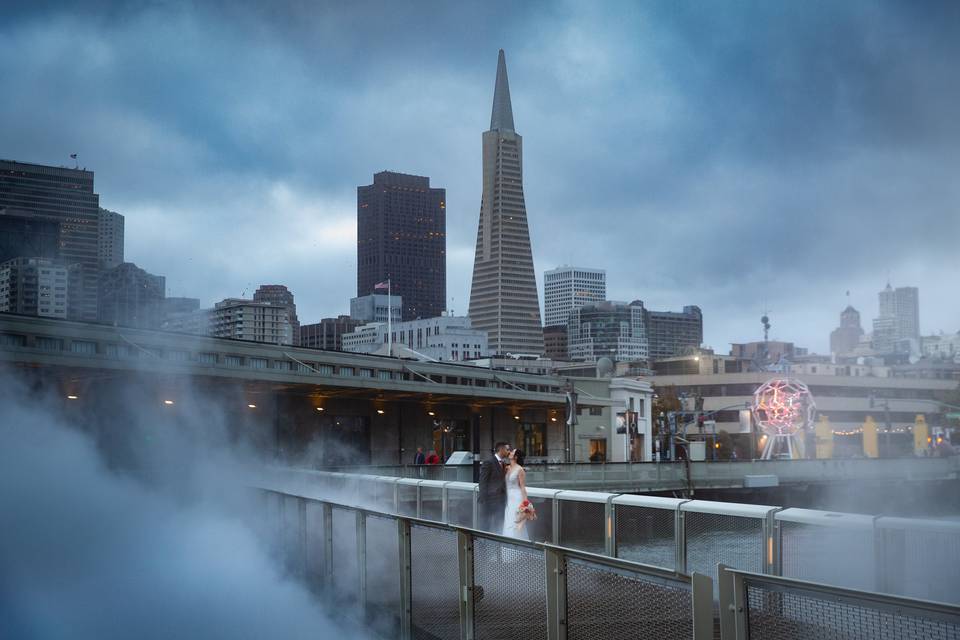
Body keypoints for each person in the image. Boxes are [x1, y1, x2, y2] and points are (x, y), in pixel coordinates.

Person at [478, 442, 510, 533]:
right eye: (507, 449)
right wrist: (483, 500)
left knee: (499, 525)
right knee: (485, 526)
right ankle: (482, 546)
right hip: (489, 500)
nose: (508, 452)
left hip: (501, 500)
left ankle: (496, 546)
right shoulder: (489, 462)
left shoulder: (504, 464)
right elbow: (483, 481)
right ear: (501, 450)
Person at [502, 448, 531, 540]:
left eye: (512, 452)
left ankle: (517, 549)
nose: (509, 452)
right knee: (508, 521)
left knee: (515, 520)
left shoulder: (520, 469)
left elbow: (522, 487)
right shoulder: (507, 468)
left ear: (516, 457)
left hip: (516, 498)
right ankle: (507, 548)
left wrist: (526, 503)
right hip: (508, 498)